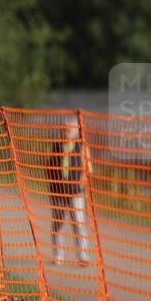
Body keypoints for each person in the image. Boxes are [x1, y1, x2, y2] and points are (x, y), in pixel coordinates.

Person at [47, 114, 92, 265]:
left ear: (76, 131)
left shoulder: (82, 148)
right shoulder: (56, 146)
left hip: (75, 193)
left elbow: (87, 171)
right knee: (58, 225)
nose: (65, 132)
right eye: (64, 129)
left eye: (69, 129)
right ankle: (58, 256)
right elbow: (49, 167)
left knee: (78, 224)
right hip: (58, 192)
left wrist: (81, 185)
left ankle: (83, 256)